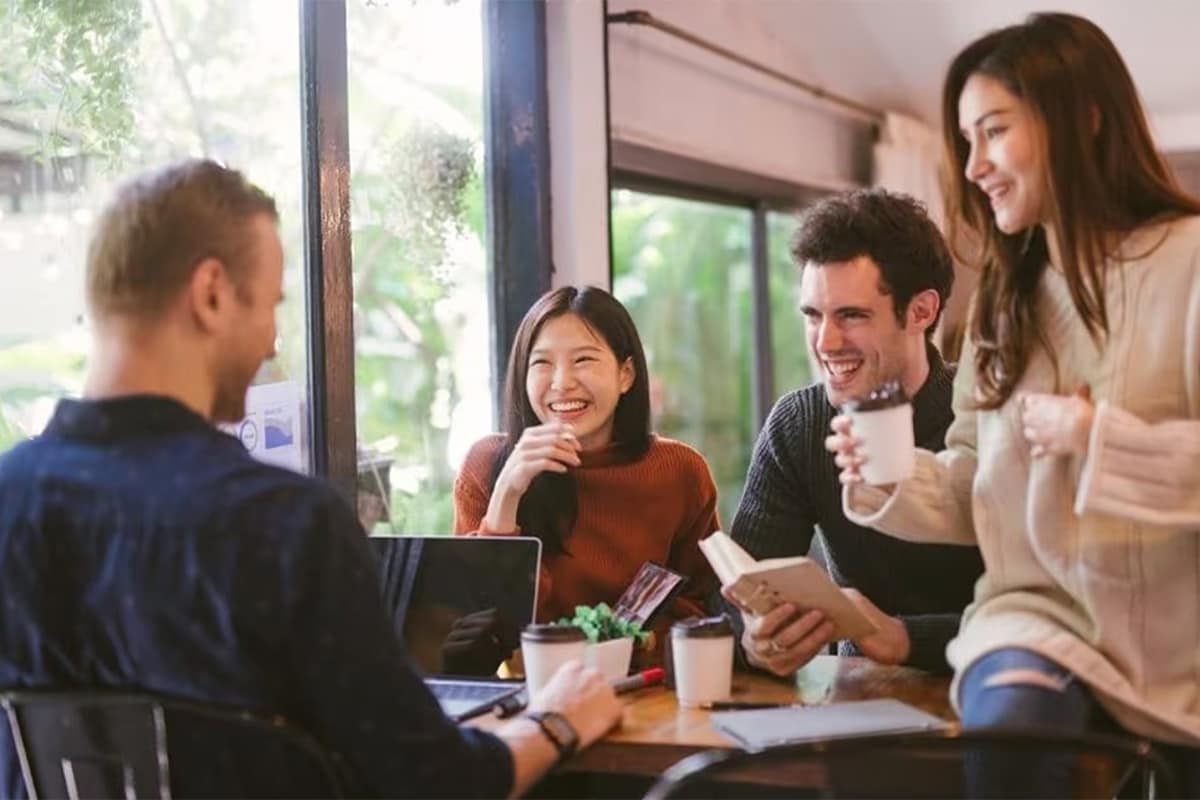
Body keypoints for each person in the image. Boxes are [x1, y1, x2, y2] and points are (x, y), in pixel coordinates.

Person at [0, 160, 622, 799]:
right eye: (271, 304)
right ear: (211, 294)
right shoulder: (282, 523)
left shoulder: (11, 498)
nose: (272, 342)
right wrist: (558, 720)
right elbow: (435, 784)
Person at [830, 12, 1200, 795]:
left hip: (1182, 640)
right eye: (967, 141)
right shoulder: (1005, 299)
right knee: (1010, 737)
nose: (975, 167)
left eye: (994, 131)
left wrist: (1100, 438)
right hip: (1038, 623)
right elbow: (980, 486)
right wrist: (893, 477)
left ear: (1083, 118)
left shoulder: (1190, 262)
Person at [725, 188, 983, 677]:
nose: (825, 342)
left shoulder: (985, 417)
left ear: (921, 312)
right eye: (813, 315)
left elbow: (1047, 616)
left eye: (851, 315)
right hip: (854, 691)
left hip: (983, 685)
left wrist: (903, 637)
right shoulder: (799, 425)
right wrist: (754, 641)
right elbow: (739, 596)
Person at [454, 286, 718, 637]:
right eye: (541, 363)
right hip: (528, 672)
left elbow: (703, 608)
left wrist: (615, 646)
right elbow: (474, 624)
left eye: (583, 360)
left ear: (626, 375)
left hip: (646, 670)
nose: (562, 383)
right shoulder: (485, 463)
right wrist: (507, 494)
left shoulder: (680, 471)